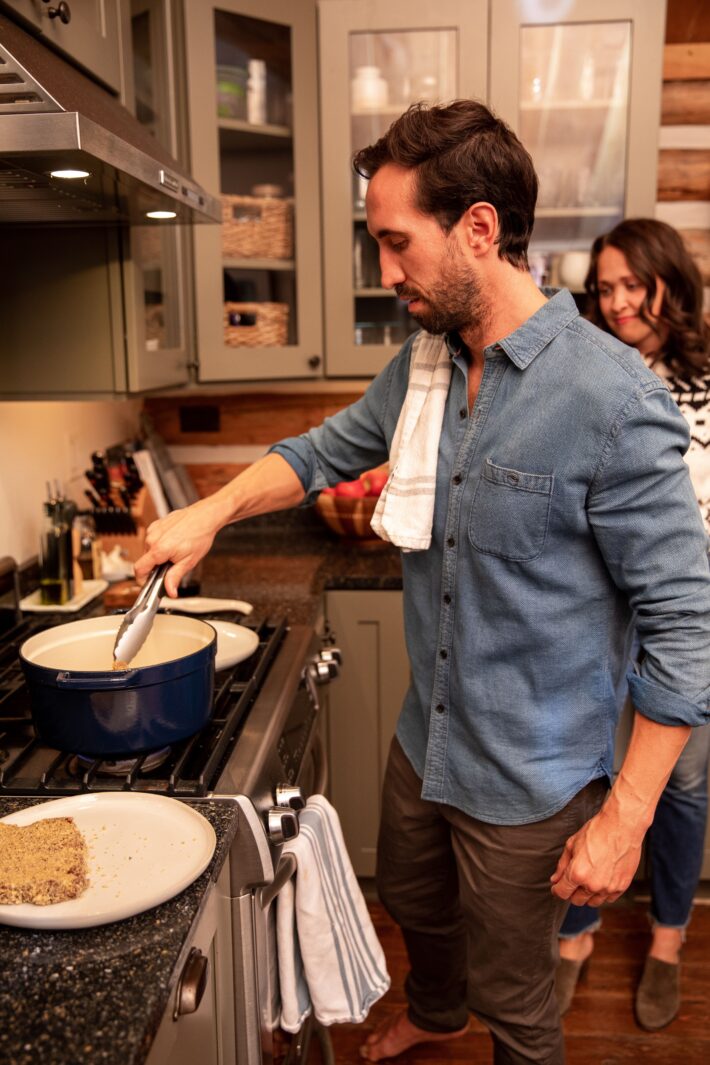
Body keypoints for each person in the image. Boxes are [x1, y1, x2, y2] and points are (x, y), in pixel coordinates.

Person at [134, 102, 710, 1065]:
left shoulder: (615, 401)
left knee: (523, 1008)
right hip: (426, 736)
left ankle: (481, 1018)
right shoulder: (429, 364)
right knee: (412, 899)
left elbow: (686, 624)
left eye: (397, 244)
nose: (386, 272)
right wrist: (208, 511)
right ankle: (438, 1013)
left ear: (479, 229)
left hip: (529, 784)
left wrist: (628, 816)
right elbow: (324, 452)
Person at [556, 218, 710, 1031]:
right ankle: (576, 933)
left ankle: (666, 941)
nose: (614, 302)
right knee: (595, 773)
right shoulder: (594, 372)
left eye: (630, 285)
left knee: (679, 786)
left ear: (669, 283)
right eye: (603, 286)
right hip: (598, 618)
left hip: (687, 619)